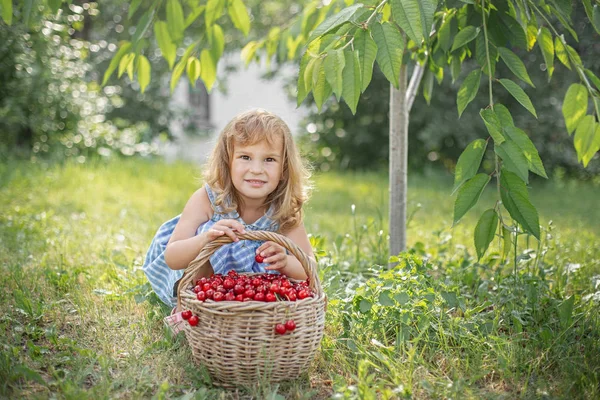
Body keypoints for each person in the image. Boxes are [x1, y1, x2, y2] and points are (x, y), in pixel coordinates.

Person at [142, 109, 314, 310]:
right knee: (208, 231)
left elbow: (309, 267)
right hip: (201, 280)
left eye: (269, 159)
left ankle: (243, 315)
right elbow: (172, 257)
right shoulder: (207, 199)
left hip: (247, 294)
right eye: (245, 157)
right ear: (228, 162)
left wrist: (285, 261)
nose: (257, 169)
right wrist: (205, 240)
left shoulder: (283, 211)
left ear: (284, 169)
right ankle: (189, 309)